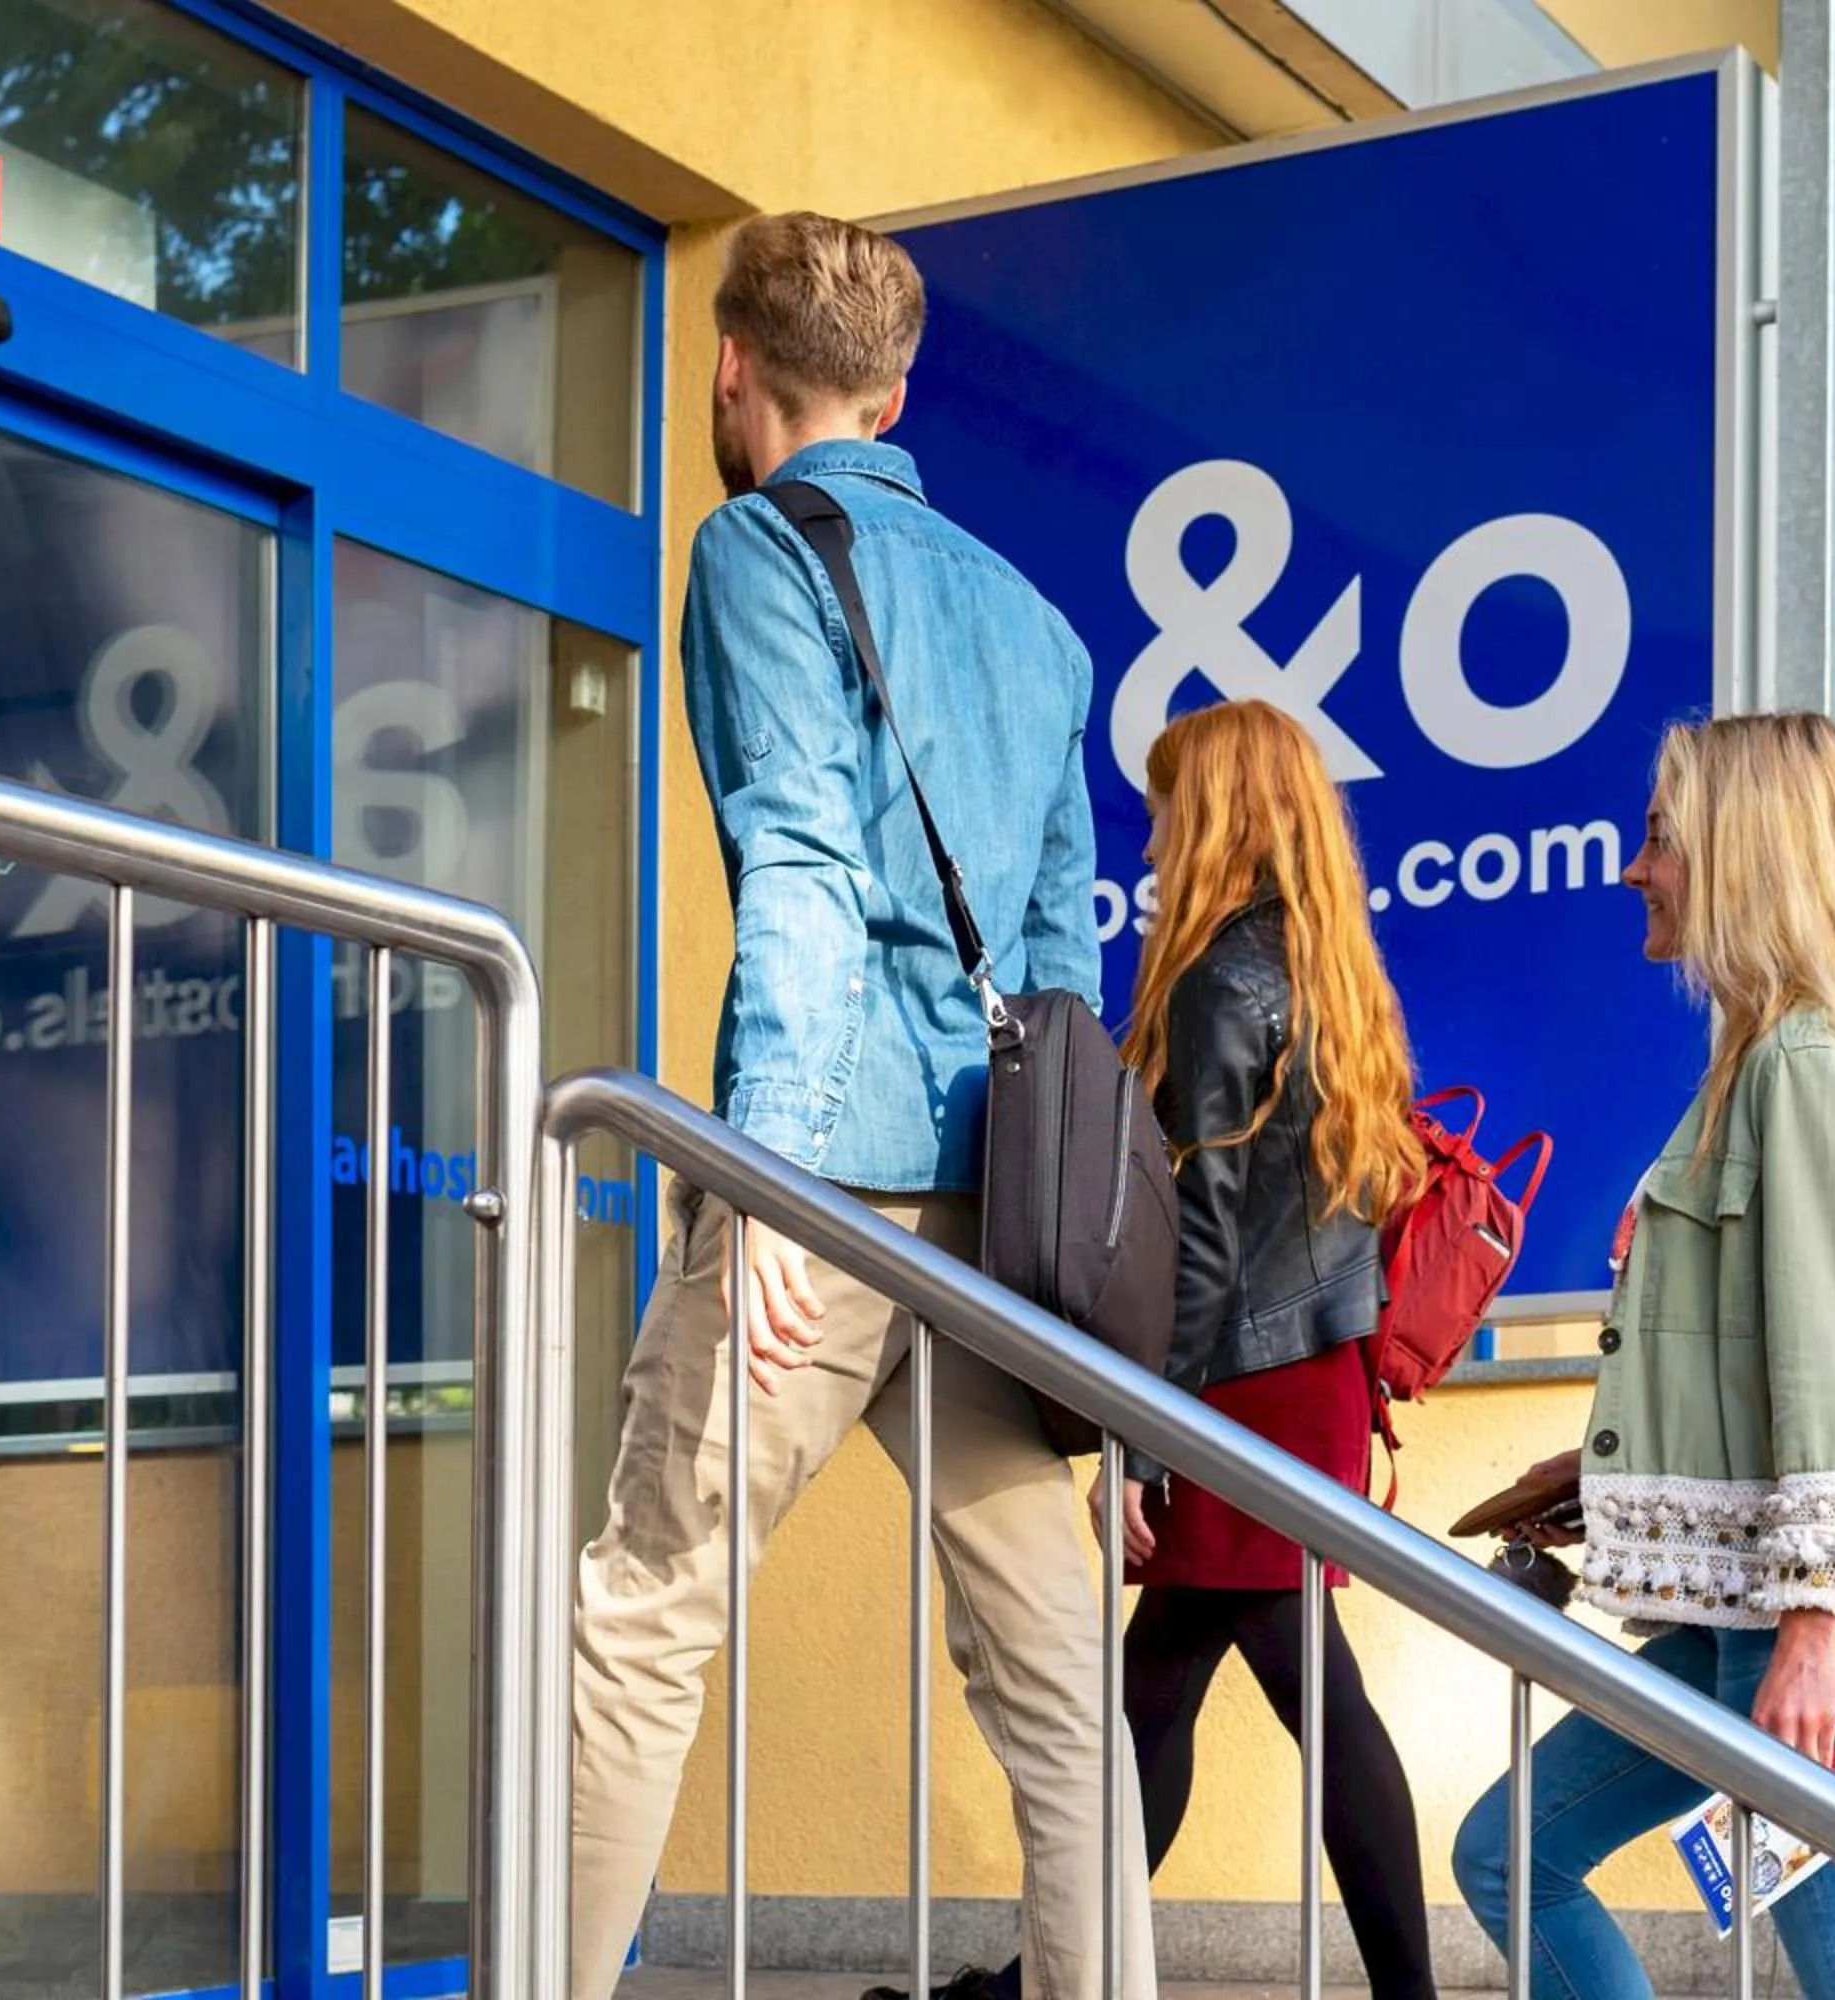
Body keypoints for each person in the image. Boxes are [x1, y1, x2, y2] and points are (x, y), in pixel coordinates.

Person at [570, 212, 1153, 2000]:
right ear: (897, 392)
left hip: (832, 1200)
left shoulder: (756, 549)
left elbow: (806, 868)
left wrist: (767, 1185)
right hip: (989, 1219)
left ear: (731, 364)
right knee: (1058, 1684)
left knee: (642, 1622)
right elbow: (1061, 968)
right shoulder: (1037, 627)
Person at [1449, 711, 1835, 2000]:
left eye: (1659, 837)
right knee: (1512, 1855)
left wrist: (1811, 1625)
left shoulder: (1803, 1062)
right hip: (1755, 1610)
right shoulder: (1763, 1057)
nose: (1636, 867)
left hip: (1815, 1631)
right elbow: (1749, 1350)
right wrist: (1617, 1472)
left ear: (1746, 850)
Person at [986, 699, 1439, 2000]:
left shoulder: (1223, 984)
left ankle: (1050, 1982)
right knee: (1162, 1693)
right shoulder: (1325, 973)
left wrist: (1138, 1440)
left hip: (1235, 1385)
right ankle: (1040, 1980)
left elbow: (1200, 1243)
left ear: (1224, 815)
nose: (1152, 837)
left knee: (1289, 1691)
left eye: (1170, 806)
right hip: (1309, 1381)